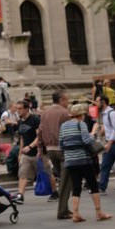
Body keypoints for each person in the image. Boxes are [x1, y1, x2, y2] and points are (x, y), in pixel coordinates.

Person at [60, 103, 112, 223]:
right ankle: (99, 212)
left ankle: (76, 213)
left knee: (76, 186)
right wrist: (93, 134)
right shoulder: (81, 124)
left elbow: (61, 144)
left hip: (70, 160)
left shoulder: (63, 126)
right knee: (93, 185)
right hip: (83, 159)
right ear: (81, 115)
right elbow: (87, 140)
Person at [38, 90, 73, 219]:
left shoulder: (45, 113)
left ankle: (66, 209)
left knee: (64, 180)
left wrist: (41, 150)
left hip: (50, 150)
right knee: (65, 181)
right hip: (62, 149)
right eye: (67, 100)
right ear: (61, 100)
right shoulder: (64, 113)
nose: (68, 102)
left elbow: (40, 132)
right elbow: (68, 132)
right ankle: (62, 211)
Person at [12, 99, 51, 204]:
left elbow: (39, 136)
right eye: (17, 109)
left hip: (39, 152)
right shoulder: (20, 122)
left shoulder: (35, 119)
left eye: (20, 109)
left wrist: (30, 146)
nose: (18, 111)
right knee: (23, 174)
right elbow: (22, 139)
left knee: (47, 173)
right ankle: (20, 195)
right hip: (27, 154)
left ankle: (54, 192)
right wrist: (20, 153)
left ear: (26, 109)